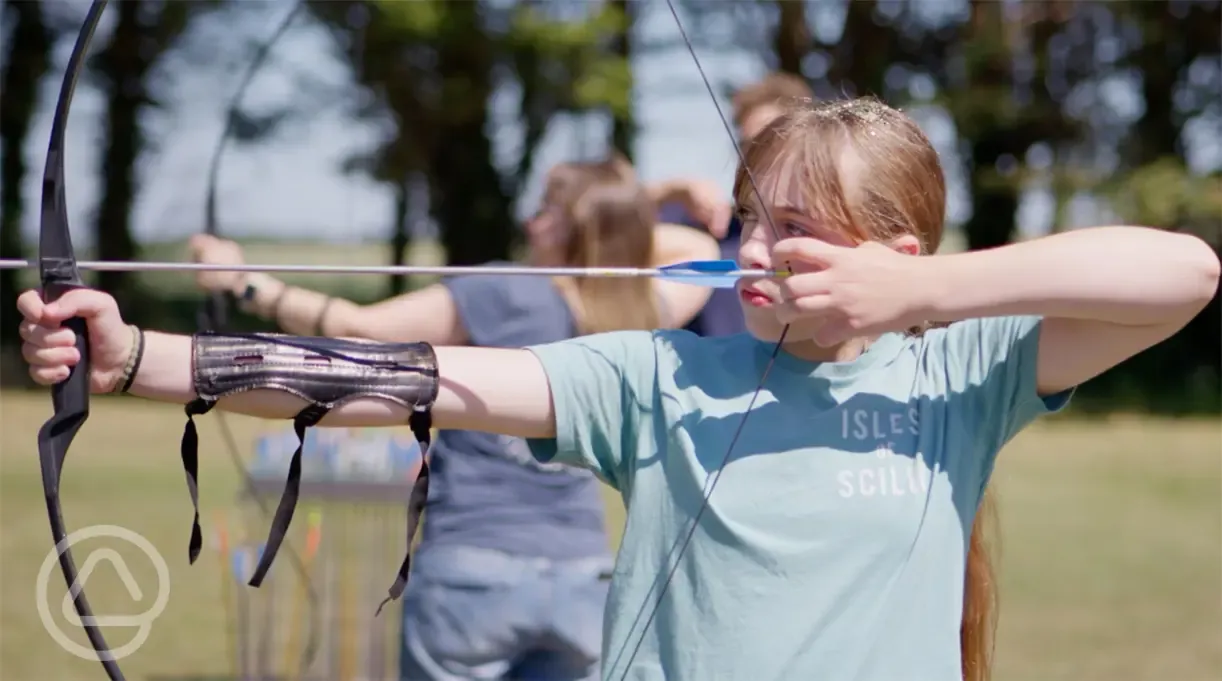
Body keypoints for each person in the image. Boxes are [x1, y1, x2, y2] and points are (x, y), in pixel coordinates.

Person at [19, 97, 1219, 681]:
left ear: (886, 252)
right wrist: (142, 360)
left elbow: (1183, 271)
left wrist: (923, 298)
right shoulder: (661, 372)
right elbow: (403, 380)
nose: (748, 251)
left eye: (792, 229)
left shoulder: (968, 366)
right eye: (747, 219)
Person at [188, 154, 718, 681]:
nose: (531, 222)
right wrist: (632, 205)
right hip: (582, 578)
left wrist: (243, 283)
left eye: (548, 211)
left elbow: (364, 330)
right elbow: (699, 250)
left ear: (574, 227)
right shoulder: (638, 311)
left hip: (472, 572)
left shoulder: (502, 290)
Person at [657, 71, 815, 337]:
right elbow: (599, 224)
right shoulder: (702, 229)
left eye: (769, 140)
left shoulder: (824, 241)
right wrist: (670, 191)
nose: (754, 156)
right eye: (746, 144)